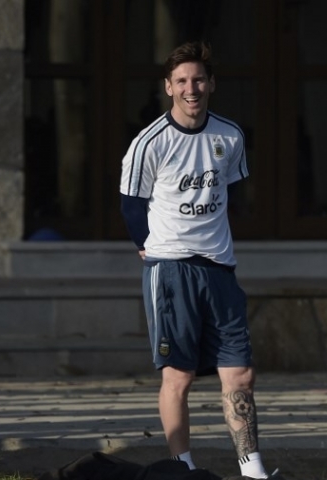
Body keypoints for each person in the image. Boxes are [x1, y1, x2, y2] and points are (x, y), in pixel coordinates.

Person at [119, 42, 280, 479]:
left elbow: (229, 191)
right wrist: (145, 246)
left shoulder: (230, 135)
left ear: (211, 84)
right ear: (169, 87)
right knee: (179, 377)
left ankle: (252, 468)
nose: (192, 88)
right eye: (183, 81)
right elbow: (131, 204)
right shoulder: (150, 142)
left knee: (241, 373)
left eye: (199, 79)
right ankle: (181, 467)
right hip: (171, 269)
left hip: (221, 269)